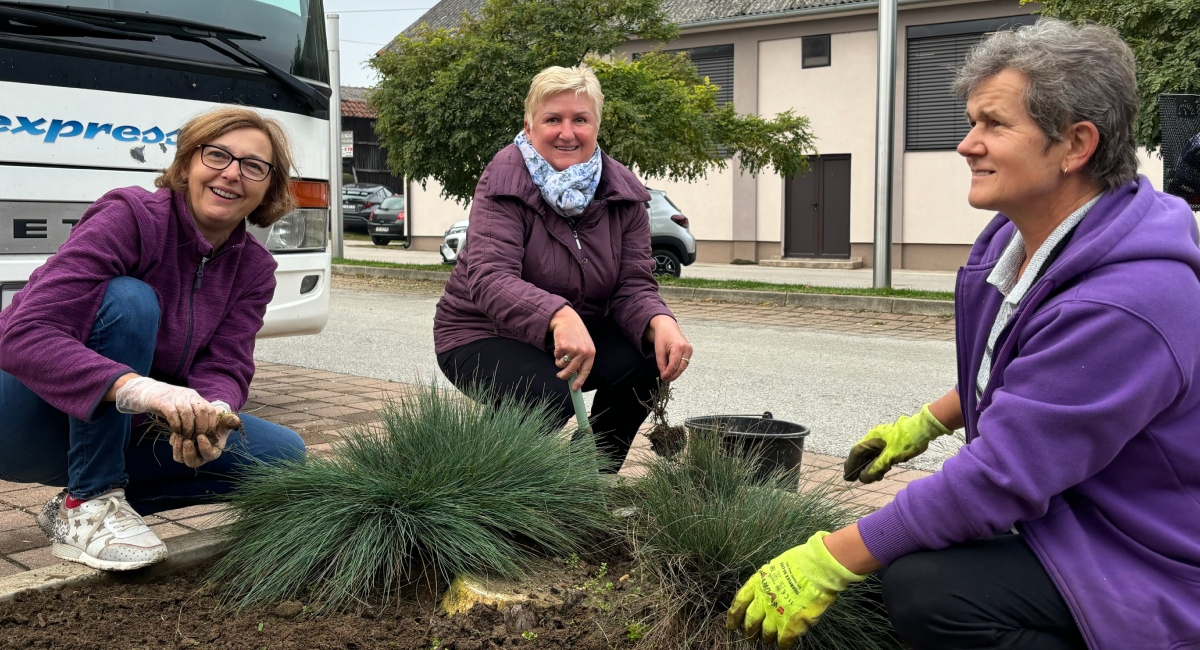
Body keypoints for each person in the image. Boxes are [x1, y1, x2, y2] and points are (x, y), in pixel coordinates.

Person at [726, 19, 1200, 650]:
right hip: (1072, 512)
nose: (965, 144)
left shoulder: (1127, 302)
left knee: (928, 590)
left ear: (1076, 144)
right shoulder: (1019, 242)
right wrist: (926, 422)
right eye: (972, 121)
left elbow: (1001, 477)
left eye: (994, 124)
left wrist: (830, 557)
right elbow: (1031, 377)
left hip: (1145, 553)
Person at [0, 106, 306, 572]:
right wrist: (139, 388)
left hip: (116, 432)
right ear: (186, 164)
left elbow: (226, 363)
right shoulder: (131, 217)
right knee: (130, 301)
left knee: (282, 455)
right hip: (23, 419)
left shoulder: (254, 270)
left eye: (253, 166)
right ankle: (91, 496)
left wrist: (213, 412)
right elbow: (22, 334)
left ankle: (82, 511)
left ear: (270, 187)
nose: (231, 173)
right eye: (217, 155)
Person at [434, 65, 693, 473]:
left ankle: (586, 479)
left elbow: (632, 286)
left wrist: (660, 321)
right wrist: (558, 315)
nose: (567, 133)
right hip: (480, 332)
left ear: (597, 127)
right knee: (546, 395)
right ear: (530, 126)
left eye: (580, 120)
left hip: (574, 334)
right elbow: (489, 277)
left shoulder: (623, 193)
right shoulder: (504, 179)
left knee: (646, 361)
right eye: (553, 119)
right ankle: (479, 484)